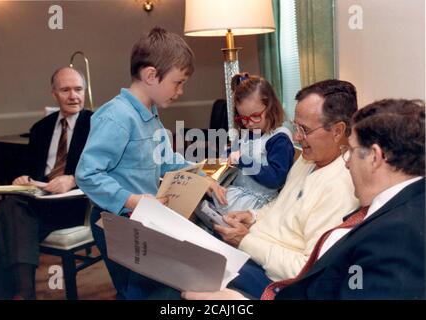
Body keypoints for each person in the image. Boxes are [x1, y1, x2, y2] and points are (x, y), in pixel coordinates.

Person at [182, 98, 425, 300]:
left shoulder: (399, 237)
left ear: (375, 157)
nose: (347, 162)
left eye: (351, 151)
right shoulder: (397, 209)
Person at [75, 27, 225, 300]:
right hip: (114, 223)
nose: (180, 91)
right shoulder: (117, 116)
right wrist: (132, 200)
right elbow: (87, 174)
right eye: (177, 82)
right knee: (137, 291)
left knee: (154, 288)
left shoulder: (150, 113)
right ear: (150, 75)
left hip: (141, 219)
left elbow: (167, 161)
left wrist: (203, 174)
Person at [212, 79, 360, 299]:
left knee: (176, 289)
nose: (297, 137)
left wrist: (245, 241)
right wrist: (251, 216)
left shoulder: (342, 186)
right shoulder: (308, 160)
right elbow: (281, 206)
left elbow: (305, 269)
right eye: (295, 126)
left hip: (275, 281)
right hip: (253, 253)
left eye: (304, 129)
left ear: (338, 131)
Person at [0, 67, 93, 300]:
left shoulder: (96, 124)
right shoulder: (41, 128)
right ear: (54, 94)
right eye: (65, 90)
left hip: (74, 203)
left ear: (85, 92)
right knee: (12, 209)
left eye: (78, 89)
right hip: (40, 199)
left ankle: (19, 293)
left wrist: (74, 179)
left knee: (8, 220)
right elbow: (29, 167)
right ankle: (21, 293)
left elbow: (108, 169)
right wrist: (23, 178)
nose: (73, 96)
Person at [211, 73, 294, 213]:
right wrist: (228, 155)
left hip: (260, 205)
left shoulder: (279, 139)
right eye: (243, 118)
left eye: (255, 116)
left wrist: (243, 160)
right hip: (239, 193)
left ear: (270, 107)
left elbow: (276, 179)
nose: (248, 123)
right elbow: (233, 151)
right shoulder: (248, 133)